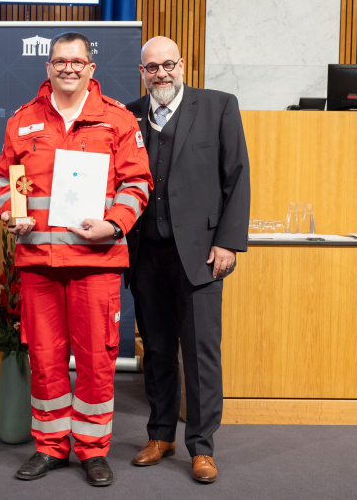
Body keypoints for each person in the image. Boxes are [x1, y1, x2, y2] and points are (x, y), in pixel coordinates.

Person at [0, 31, 152, 487]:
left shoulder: (118, 121)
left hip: (96, 261)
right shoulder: (23, 121)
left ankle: (91, 448)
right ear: (48, 67)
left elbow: (137, 182)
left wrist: (116, 224)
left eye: (76, 61)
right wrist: (13, 214)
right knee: (44, 359)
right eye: (59, 60)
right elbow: (9, 180)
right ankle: (49, 446)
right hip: (38, 262)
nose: (68, 67)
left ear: (90, 68)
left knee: (97, 359)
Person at [124, 36, 250, 483]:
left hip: (200, 255)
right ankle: (160, 434)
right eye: (152, 67)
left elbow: (237, 177)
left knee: (200, 354)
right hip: (145, 255)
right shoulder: (128, 114)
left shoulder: (218, 106)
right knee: (156, 350)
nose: (161, 73)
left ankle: (202, 446)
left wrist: (229, 242)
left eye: (168, 65)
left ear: (183, 65)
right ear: (142, 72)